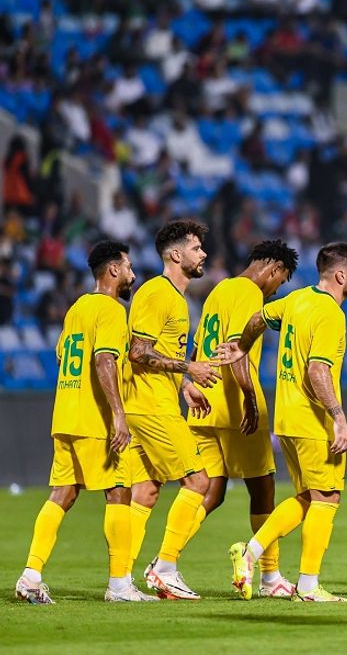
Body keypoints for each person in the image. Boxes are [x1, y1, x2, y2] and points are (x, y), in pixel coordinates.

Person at [15, 240, 154, 603]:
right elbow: (104, 361)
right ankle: (120, 585)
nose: (132, 274)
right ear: (112, 271)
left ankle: (30, 575)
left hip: (65, 415)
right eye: (127, 267)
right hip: (95, 420)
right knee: (120, 490)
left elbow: (64, 354)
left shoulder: (76, 308)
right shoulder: (110, 310)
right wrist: (118, 416)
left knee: (64, 493)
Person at [223, 243, 347, 602]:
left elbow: (258, 319)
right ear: (341, 275)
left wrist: (241, 346)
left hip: (285, 418)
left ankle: (250, 553)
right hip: (312, 420)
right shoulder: (331, 314)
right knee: (327, 497)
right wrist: (339, 417)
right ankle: (309, 586)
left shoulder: (297, 299)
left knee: (306, 497)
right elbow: (318, 371)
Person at [184, 240, 298, 598]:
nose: (277, 287)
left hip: (205, 402)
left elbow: (200, 344)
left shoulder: (220, 291)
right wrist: (250, 398)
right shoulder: (250, 293)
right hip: (234, 404)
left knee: (211, 491)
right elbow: (236, 351)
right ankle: (270, 577)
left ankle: (165, 562)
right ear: (274, 268)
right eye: (280, 281)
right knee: (263, 486)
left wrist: (190, 383)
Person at [124, 220, 220, 600]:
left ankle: (120, 581)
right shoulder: (157, 293)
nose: (204, 254)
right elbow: (138, 352)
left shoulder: (175, 298)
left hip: (153, 401)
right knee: (199, 482)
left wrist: (185, 385)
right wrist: (189, 367)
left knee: (145, 492)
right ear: (176, 254)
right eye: (197, 248)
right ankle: (165, 568)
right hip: (151, 407)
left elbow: (154, 353)